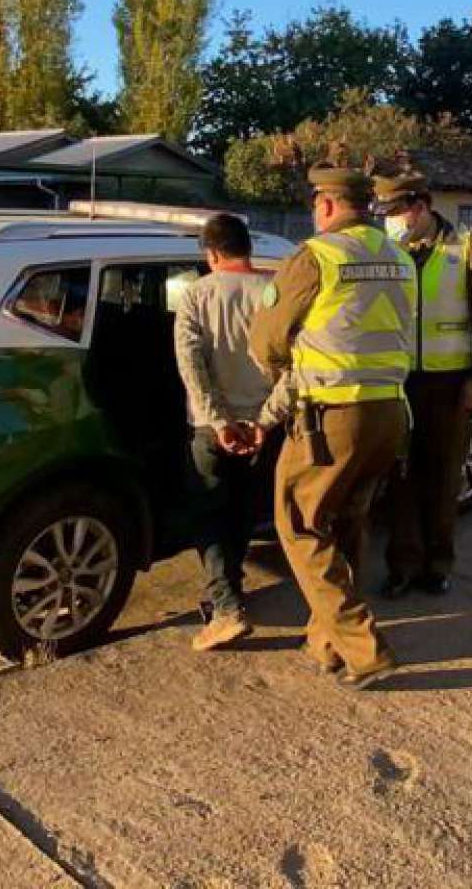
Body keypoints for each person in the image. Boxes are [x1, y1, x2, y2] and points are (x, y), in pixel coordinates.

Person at [249, 164, 416, 688]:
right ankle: (327, 641)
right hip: (389, 412)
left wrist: (287, 374)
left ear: (324, 206)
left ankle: (365, 649)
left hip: (333, 417)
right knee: (345, 525)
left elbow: (267, 342)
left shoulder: (317, 256)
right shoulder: (398, 255)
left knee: (297, 525)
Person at [373, 172, 472, 597]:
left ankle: (437, 564)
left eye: (397, 212)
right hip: (399, 381)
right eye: (387, 214)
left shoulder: (467, 248)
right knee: (400, 478)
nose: (393, 221)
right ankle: (402, 567)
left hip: (450, 383)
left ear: (421, 206)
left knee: (443, 477)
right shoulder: (386, 250)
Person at [174, 213, 291, 652]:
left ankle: (226, 607)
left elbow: (192, 365)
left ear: (211, 253)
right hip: (263, 426)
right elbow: (292, 365)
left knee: (210, 514)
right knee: (243, 511)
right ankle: (231, 591)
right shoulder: (274, 293)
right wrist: (263, 421)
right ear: (248, 248)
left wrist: (218, 422)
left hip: (212, 429)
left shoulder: (195, 296)